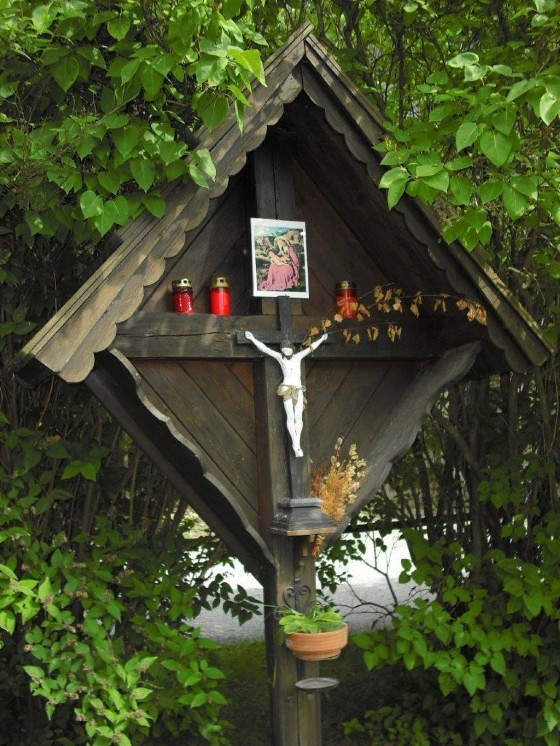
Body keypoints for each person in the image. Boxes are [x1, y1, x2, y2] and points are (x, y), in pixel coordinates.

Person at [245, 330, 328, 457]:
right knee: (290, 416)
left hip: (298, 389)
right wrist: (252, 339)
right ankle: (296, 444)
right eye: (283, 350)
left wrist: (321, 339)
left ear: (292, 348)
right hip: (287, 389)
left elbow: (311, 348)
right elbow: (265, 348)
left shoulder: (298, 357)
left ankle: (297, 443)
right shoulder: (280, 357)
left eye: (288, 350)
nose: (286, 352)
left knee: (298, 416)